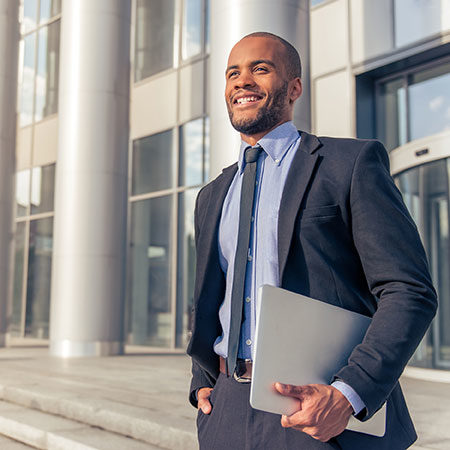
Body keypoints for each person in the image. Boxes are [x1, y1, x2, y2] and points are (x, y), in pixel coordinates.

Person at [186, 31, 437, 450]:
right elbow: (211, 297)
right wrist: (202, 384)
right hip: (226, 411)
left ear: (295, 87)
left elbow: (409, 290)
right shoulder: (212, 194)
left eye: (260, 69)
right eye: (233, 73)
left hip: (319, 411)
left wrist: (349, 393)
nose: (242, 81)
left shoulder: (349, 164)